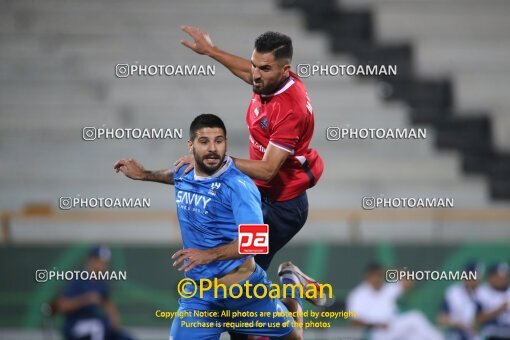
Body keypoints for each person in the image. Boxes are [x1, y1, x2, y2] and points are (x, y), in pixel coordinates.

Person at [115, 114, 327, 339]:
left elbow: (256, 243)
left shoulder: (239, 186)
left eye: (219, 141)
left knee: (295, 337)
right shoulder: (184, 172)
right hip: (200, 299)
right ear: (191, 146)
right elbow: (173, 176)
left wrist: (209, 255)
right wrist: (144, 174)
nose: (212, 148)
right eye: (204, 142)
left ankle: (290, 286)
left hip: (245, 294)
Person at [174, 26, 324, 272]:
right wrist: (211, 50)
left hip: (281, 207)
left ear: (285, 70)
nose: (255, 74)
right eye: (255, 64)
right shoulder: (268, 81)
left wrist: (214, 158)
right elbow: (248, 71)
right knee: (236, 276)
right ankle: (291, 283)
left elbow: (267, 170)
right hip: (259, 195)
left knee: (243, 276)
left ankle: (291, 289)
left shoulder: (289, 109)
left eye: (264, 68)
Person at [346, 263, 444, 340]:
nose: (377, 279)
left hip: (394, 327)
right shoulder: (358, 294)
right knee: (415, 318)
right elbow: (355, 321)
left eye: (379, 275)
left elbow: (409, 281)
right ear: (368, 276)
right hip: (376, 333)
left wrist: (389, 269)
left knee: (416, 336)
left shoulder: (388, 288)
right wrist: (376, 325)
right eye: (374, 276)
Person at [55, 245, 133, 340]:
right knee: (98, 327)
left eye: (105, 263)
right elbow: (63, 305)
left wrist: (114, 317)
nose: (103, 266)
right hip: (74, 325)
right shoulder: (78, 279)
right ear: (92, 260)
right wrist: (85, 299)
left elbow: (106, 301)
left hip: (94, 321)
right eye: (100, 261)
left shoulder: (100, 281)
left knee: (124, 337)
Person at [438, 262, 484, 340]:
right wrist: (460, 325)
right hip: (452, 333)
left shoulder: (482, 293)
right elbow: (442, 319)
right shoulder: (453, 292)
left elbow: (479, 322)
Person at [475, 262, 510, 339]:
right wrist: (499, 310)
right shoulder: (482, 292)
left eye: (504, 276)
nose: (502, 279)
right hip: (492, 333)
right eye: (498, 276)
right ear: (491, 277)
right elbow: (478, 319)